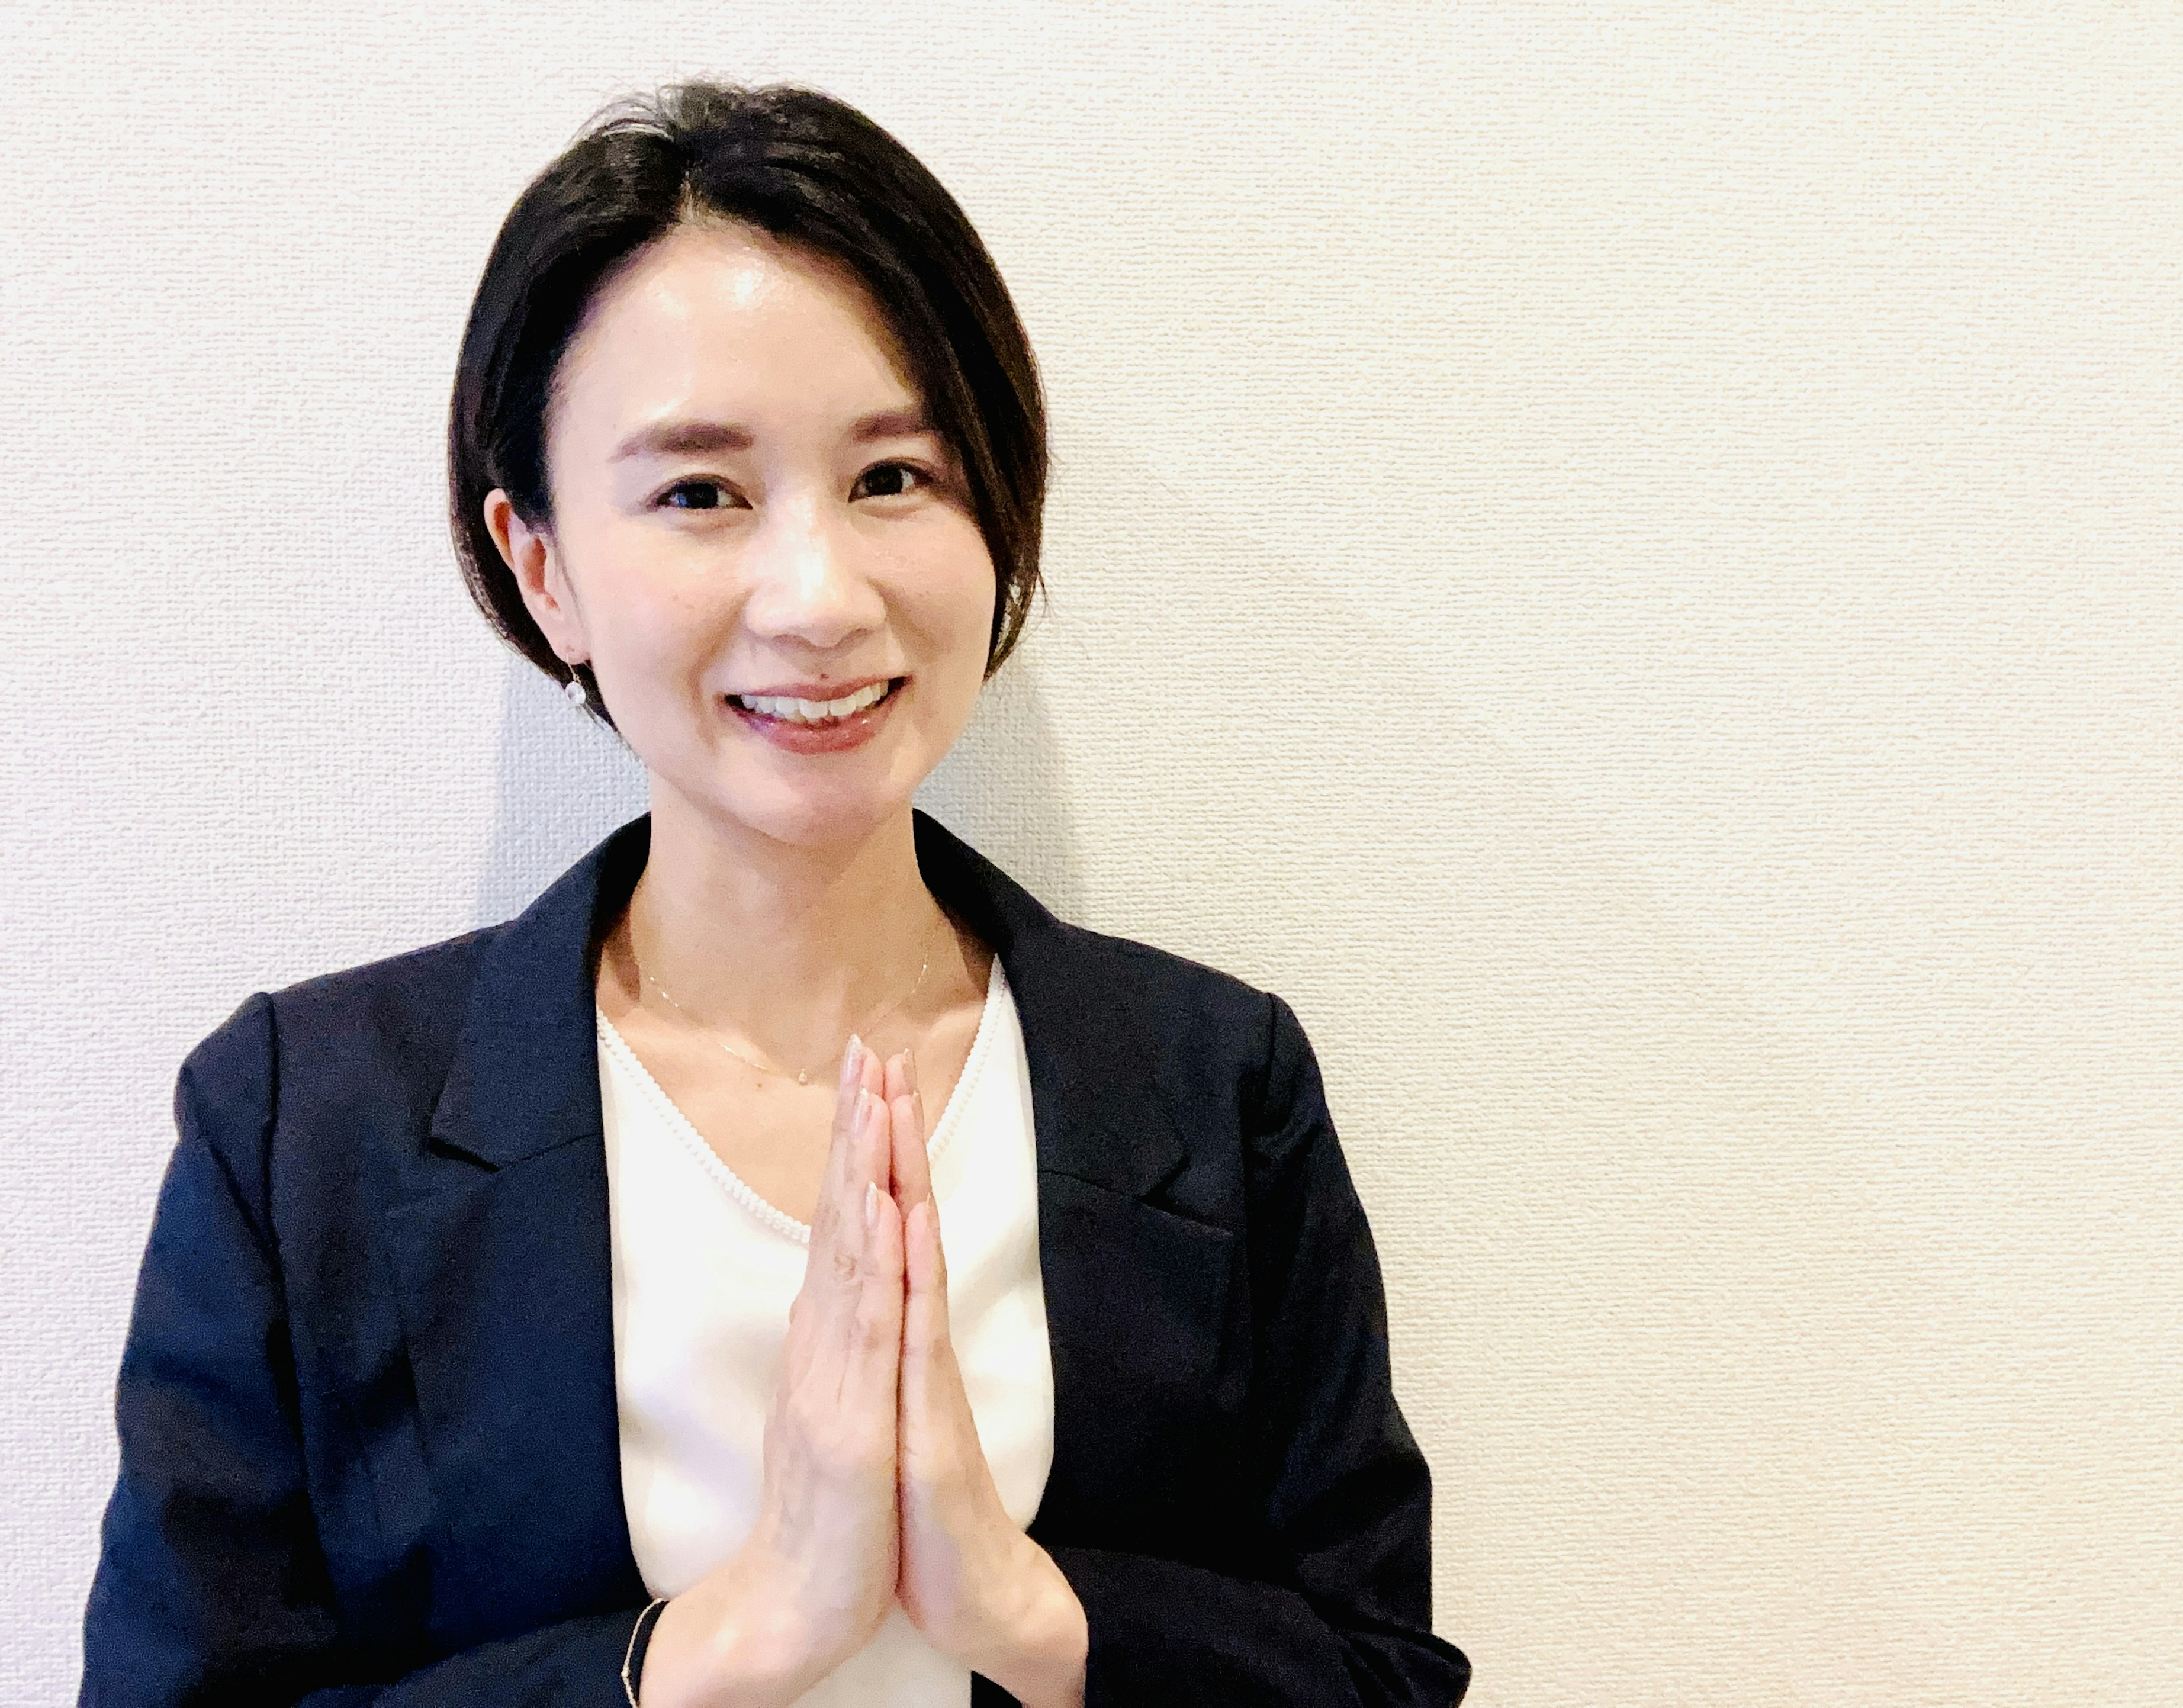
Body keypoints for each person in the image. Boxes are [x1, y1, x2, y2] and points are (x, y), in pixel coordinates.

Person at [79, 81, 1471, 1708]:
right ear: (544, 566)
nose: (819, 597)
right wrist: (713, 1650)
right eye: (699, 493)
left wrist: (1029, 1611)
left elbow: (1384, 1675)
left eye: (895, 479)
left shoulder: (1214, 1090)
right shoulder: (301, 1128)